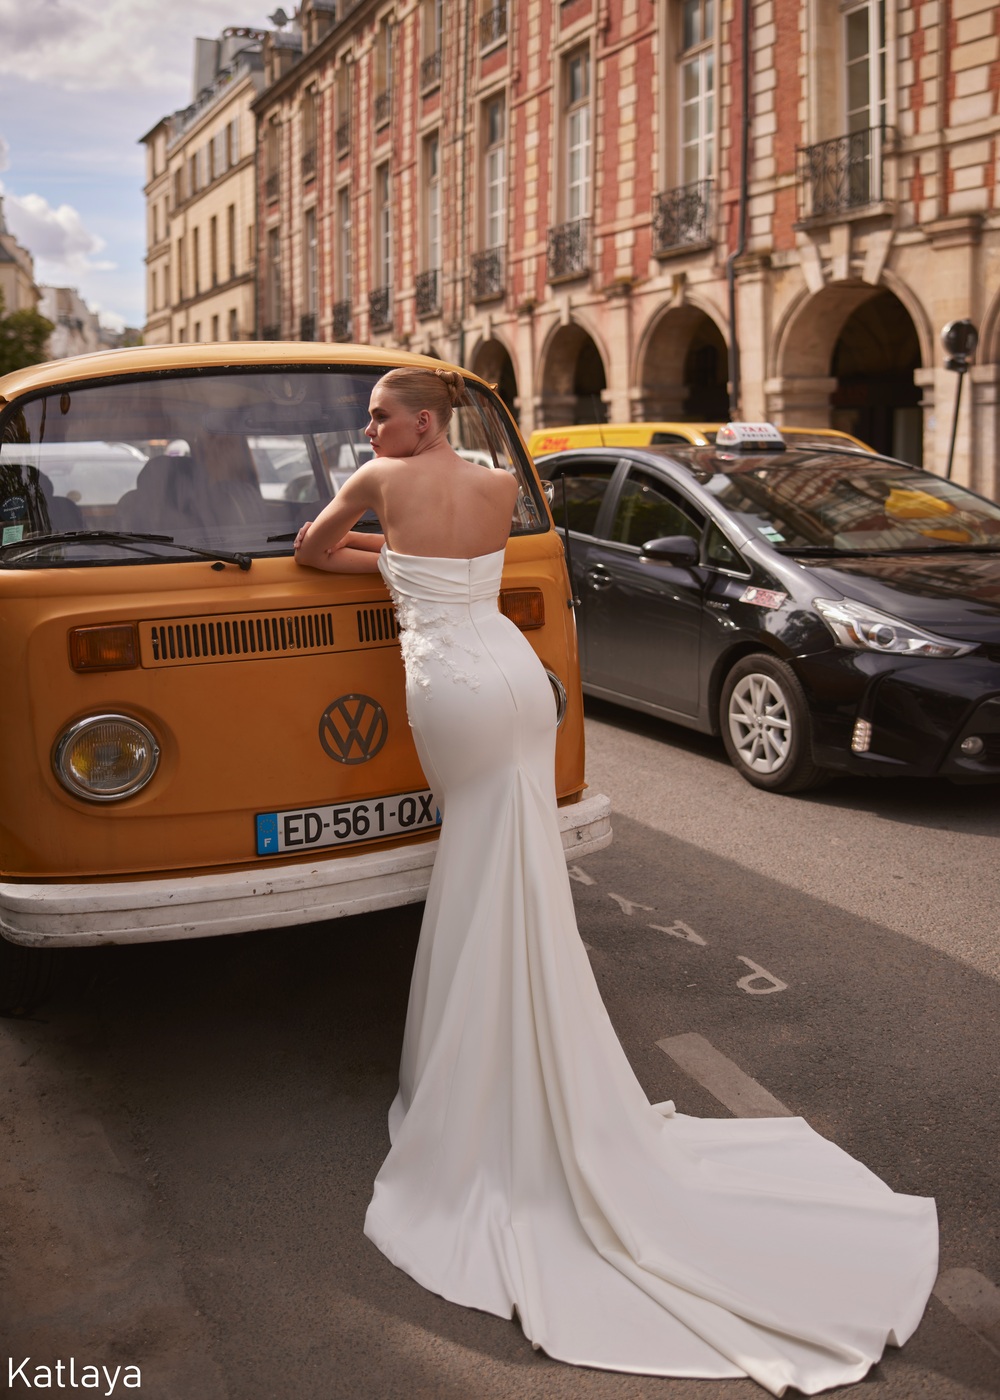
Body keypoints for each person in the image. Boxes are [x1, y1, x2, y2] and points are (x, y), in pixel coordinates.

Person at [295, 367, 938, 1397]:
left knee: (475, 853)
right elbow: (466, 563)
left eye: (380, 411)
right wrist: (409, 557)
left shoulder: (378, 474)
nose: (366, 425)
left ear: (421, 420)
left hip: (452, 685)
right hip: (514, 679)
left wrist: (382, 552)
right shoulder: (501, 483)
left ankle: (476, 1079)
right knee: (515, 859)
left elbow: (309, 551)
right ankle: (524, 1052)